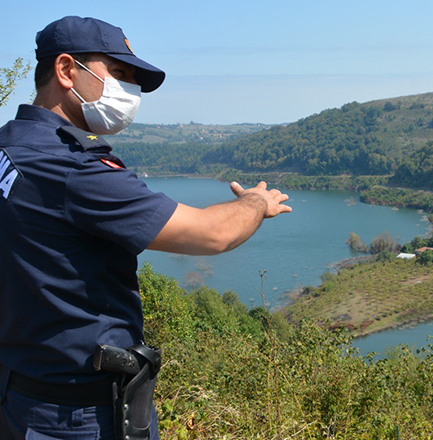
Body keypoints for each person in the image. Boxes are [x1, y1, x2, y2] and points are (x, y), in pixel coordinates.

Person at [0, 16, 291, 440]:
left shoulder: (10, 146)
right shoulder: (74, 171)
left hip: (19, 394)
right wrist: (255, 202)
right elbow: (212, 233)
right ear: (65, 71)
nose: (129, 91)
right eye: (117, 73)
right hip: (77, 415)